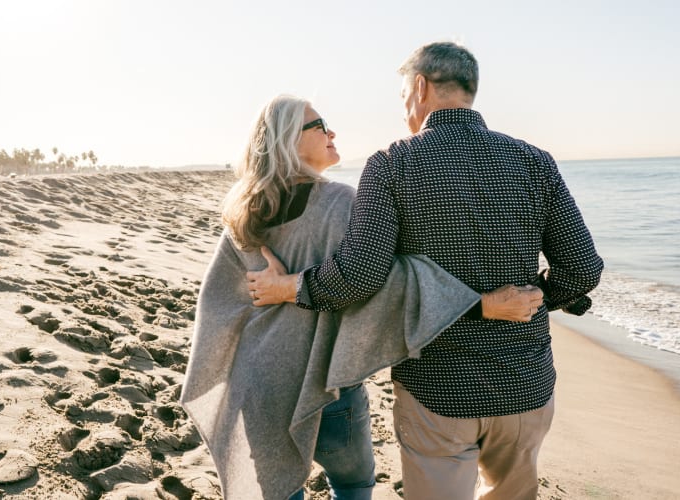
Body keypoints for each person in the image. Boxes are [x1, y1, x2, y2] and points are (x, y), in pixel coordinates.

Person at [246, 42, 604, 500]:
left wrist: (291, 288)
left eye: (402, 98)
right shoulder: (533, 160)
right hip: (525, 383)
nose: (403, 112)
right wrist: (537, 298)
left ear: (420, 88)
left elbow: (360, 276)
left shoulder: (393, 163)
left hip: (438, 388)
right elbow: (583, 268)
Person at [180, 95, 542, 500]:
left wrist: (277, 294)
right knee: (353, 484)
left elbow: (218, 303)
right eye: (319, 126)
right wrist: (483, 303)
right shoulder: (340, 203)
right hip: (326, 385)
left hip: (258, 385)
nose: (331, 131)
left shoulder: (242, 211)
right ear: (287, 141)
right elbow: (383, 282)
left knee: (278, 492)